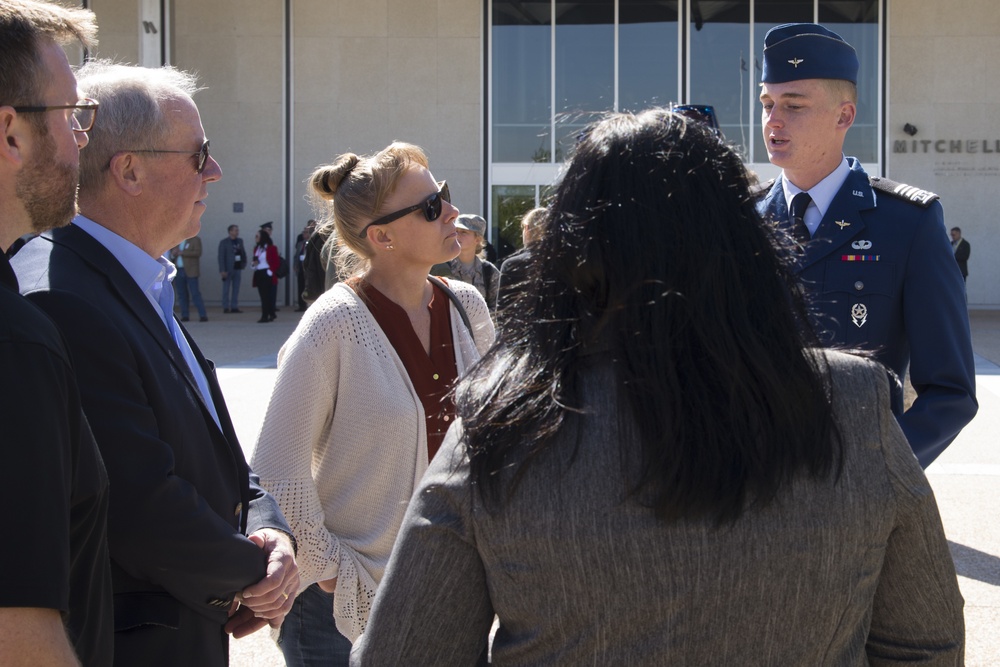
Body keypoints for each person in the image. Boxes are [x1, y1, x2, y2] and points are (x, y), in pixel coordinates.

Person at [351, 109, 965, 666]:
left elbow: (402, 654)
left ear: (572, 247)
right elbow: (926, 643)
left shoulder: (503, 419)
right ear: (746, 244)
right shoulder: (853, 401)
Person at [11, 61, 299, 667]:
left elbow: (217, 452)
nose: (215, 172)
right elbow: (133, 495)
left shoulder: (136, 276)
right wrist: (253, 570)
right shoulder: (62, 295)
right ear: (131, 170)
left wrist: (270, 530)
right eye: (200, 155)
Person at [251, 141, 494, 666]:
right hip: (339, 606)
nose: (451, 212)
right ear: (381, 237)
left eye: (444, 195)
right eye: (432, 207)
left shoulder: (466, 305)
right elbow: (275, 468)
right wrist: (331, 571)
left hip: (451, 593)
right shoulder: (333, 323)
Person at [756, 23, 976, 467]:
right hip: (752, 486)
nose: (773, 120)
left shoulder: (907, 222)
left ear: (844, 116)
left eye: (794, 105)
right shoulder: (740, 220)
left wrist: (878, 475)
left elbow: (951, 392)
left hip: (858, 494)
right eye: (767, 103)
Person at [0, 2, 113, 664]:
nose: (81, 139)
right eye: (71, 116)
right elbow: (17, 631)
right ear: (10, 132)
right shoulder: (15, 345)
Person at [431, 213, 500, 314]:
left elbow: (497, 307)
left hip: (479, 327)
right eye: (456, 231)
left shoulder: (489, 271)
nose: (457, 236)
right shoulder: (441, 267)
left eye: (463, 232)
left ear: (477, 239)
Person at [496, 206, 546, 324]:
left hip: (522, 336)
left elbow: (503, 312)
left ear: (527, 229)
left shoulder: (513, 264)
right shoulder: (567, 263)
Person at [169, 234, 208, 321]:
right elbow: (171, 256)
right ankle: (185, 315)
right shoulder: (176, 240)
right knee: (182, 294)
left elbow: (198, 252)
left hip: (191, 271)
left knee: (195, 293)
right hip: (178, 270)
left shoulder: (195, 240)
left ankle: (202, 315)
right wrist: (173, 254)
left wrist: (182, 253)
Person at [252, 227, 279, 322]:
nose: (255, 238)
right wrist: (253, 264)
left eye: (257, 236)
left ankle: (265, 316)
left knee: (266, 296)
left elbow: (276, 262)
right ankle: (271, 313)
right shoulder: (257, 248)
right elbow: (255, 260)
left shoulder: (271, 248)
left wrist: (270, 271)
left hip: (267, 274)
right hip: (259, 273)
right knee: (263, 296)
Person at [218, 223, 246, 313]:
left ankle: (234, 306)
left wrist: (244, 263)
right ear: (230, 231)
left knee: (236, 288)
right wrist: (222, 270)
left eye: (237, 230)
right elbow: (221, 256)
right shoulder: (224, 242)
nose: (237, 232)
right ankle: (225, 306)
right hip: (228, 269)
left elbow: (243, 253)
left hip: (237, 268)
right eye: (235, 230)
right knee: (226, 288)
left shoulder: (240, 241)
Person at [294, 220, 314, 311]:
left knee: (309, 287)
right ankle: (301, 305)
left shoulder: (313, 243)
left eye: (306, 232)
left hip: (309, 269)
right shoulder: (300, 243)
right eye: (303, 232)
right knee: (300, 287)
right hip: (301, 268)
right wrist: (295, 265)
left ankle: (309, 306)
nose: (303, 234)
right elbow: (296, 255)